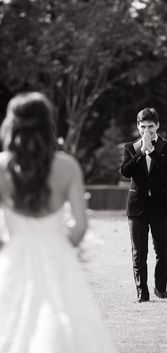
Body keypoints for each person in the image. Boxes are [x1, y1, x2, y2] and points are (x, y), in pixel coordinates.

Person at [0, 92, 117, 353]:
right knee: (64, 330)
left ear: (11, 124)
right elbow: (80, 226)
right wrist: (64, 247)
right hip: (58, 258)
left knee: (13, 326)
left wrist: (7, 247)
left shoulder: (1, 167)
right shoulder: (67, 166)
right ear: (47, 123)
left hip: (13, 258)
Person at [121, 107, 167, 303]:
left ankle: (160, 288)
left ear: (158, 125)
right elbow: (126, 172)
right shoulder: (130, 147)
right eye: (143, 126)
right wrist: (141, 152)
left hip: (160, 205)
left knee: (162, 250)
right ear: (138, 126)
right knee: (139, 251)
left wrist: (152, 152)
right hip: (137, 206)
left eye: (151, 126)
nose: (147, 131)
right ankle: (141, 292)